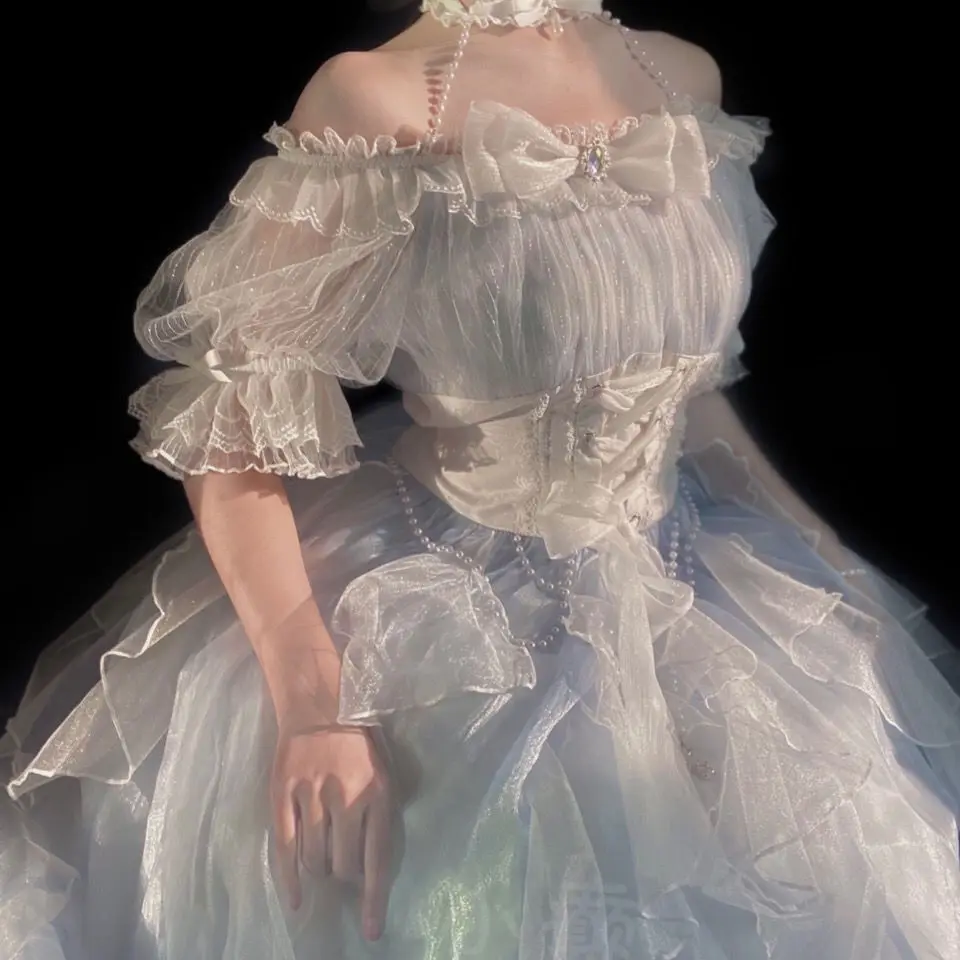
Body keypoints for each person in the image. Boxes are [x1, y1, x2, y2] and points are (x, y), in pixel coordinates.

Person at [2, 1, 958, 957]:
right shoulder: (377, 100)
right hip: (442, 607)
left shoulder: (679, 75)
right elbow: (230, 413)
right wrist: (314, 702)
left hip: (689, 578)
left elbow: (684, 384)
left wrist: (825, 554)